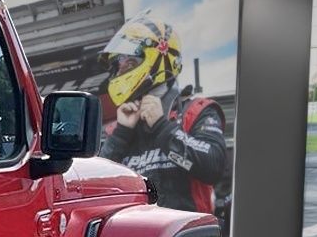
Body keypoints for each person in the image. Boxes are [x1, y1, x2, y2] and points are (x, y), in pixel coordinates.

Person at [97, 15, 227, 213]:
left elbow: (213, 167)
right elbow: (98, 187)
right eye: (117, 67)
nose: (119, 72)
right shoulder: (119, 127)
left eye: (128, 63)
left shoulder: (196, 111)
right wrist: (121, 134)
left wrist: (162, 127)